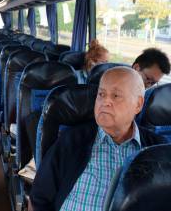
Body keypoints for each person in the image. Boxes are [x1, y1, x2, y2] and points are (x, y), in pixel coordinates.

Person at [29, 67, 167, 211]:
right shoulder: (72, 139)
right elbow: (39, 198)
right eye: (101, 94)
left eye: (116, 96)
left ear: (138, 104)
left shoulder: (157, 150)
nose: (105, 101)